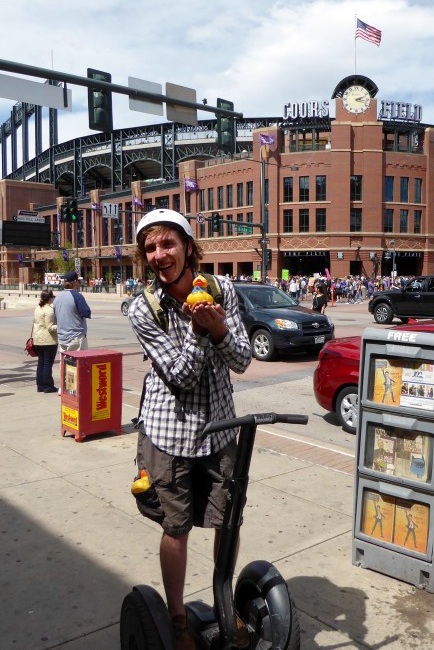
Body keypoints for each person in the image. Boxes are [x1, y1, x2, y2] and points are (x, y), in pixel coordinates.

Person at [128, 209, 251, 650]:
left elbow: (240, 359)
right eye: (151, 248)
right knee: (176, 528)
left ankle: (224, 602)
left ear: (186, 246)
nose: (160, 255)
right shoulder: (144, 309)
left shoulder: (223, 289)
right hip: (168, 433)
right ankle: (178, 618)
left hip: (220, 429)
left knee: (227, 522)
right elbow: (181, 376)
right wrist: (205, 331)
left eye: (167, 244)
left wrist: (219, 329)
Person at [53, 272, 91, 352]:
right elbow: (86, 312)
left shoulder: (57, 297)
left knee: (65, 363)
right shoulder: (77, 296)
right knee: (78, 363)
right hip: (75, 337)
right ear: (74, 282)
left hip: (62, 337)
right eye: (77, 281)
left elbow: (55, 317)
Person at [33, 290, 58, 393]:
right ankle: (48, 386)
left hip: (38, 339)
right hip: (48, 340)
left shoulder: (38, 308)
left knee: (41, 363)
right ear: (49, 298)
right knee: (48, 364)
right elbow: (50, 327)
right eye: (52, 297)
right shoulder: (49, 310)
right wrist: (61, 326)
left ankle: (40, 385)